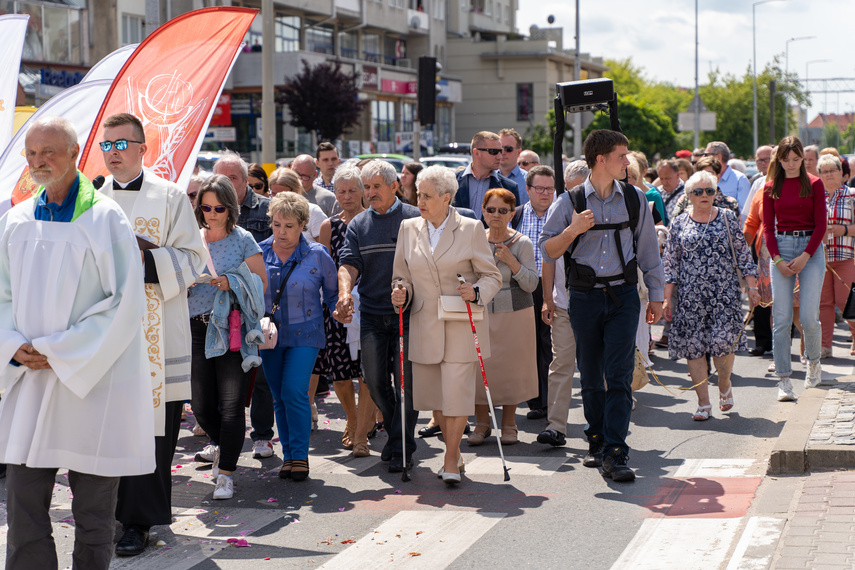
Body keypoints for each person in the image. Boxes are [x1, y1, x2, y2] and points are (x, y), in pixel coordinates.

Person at [0, 116, 154, 570]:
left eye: (49, 151)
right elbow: (0, 295)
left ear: (73, 153)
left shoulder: (105, 218)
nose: (39, 161)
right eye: (31, 153)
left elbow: (124, 303)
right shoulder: (16, 221)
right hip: (30, 380)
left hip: (93, 385)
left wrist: (60, 350)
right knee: (24, 509)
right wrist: (13, 345)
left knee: (92, 516)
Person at [97, 113, 208, 557]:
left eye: (122, 144)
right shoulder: (90, 199)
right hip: (102, 336)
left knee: (150, 433)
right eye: (107, 145)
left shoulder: (169, 197)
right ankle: (104, 514)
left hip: (154, 338)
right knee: (106, 431)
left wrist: (145, 258)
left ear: (144, 149)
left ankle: (137, 521)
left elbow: (194, 258)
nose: (113, 153)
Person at [540, 129, 664, 482]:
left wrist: (656, 296)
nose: (627, 162)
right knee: (592, 377)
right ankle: (596, 438)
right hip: (584, 298)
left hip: (623, 297)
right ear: (601, 160)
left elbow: (648, 251)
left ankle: (615, 449)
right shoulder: (571, 201)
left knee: (620, 374)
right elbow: (548, 250)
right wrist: (573, 230)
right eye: (621, 156)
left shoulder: (635, 198)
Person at [391, 165, 502, 484]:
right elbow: (402, 274)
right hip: (423, 321)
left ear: (446, 198)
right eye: (417, 194)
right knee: (434, 398)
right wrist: (401, 292)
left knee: (456, 394)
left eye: (426, 195)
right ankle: (454, 448)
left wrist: (477, 291)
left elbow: (491, 275)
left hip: (459, 321)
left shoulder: (470, 228)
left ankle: (451, 458)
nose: (418, 200)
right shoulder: (408, 228)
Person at [334, 160, 421, 473]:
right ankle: (399, 435)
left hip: (408, 315)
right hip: (371, 313)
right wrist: (345, 294)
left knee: (406, 384)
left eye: (375, 187)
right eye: (366, 187)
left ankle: (401, 448)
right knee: (373, 380)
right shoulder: (358, 224)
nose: (369, 193)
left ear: (394, 186)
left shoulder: (414, 218)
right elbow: (348, 264)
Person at [188, 175, 267, 500]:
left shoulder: (243, 238)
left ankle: (226, 475)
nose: (212, 213)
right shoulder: (190, 239)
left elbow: (260, 281)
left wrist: (230, 281)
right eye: (206, 207)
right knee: (201, 405)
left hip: (230, 327)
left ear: (229, 208)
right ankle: (223, 445)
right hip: (195, 327)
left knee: (233, 405)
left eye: (218, 207)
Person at [662, 171, 759, 420]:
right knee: (694, 349)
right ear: (689, 195)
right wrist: (665, 298)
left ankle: (724, 384)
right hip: (690, 298)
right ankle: (703, 403)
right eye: (698, 191)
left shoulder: (726, 217)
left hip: (724, 296)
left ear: (716, 193)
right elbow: (671, 264)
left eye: (709, 191)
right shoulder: (679, 223)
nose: (705, 195)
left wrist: (752, 286)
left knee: (722, 345)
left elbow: (744, 255)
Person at [260, 192, 338, 482]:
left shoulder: (317, 254)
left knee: (295, 391)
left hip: (306, 333)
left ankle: (300, 456)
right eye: (277, 224)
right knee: (279, 396)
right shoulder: (259, 251)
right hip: (270, 336)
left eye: (289, 226)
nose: (281, 232)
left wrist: (341, 307)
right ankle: (289, 455)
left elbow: (332, 294)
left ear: (303, 224)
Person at [213, 152, 277, 460]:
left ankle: (262, 434)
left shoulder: (266, 211)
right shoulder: (207, 213)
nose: (227, 184)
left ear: (244, 179)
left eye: (233, 178)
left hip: (256, 307)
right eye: (221, 179)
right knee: (221, 383)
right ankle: (221, 439)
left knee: (259, 375)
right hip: (216, 312)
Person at [465, 187, 538, 446]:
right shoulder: (474, 240)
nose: (496, 215)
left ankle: (509, 424)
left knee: (511, 369)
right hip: (481, 311)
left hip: (515, 314)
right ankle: (481, 423)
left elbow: (531, 284)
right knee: (479, 366)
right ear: (483, 212)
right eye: (491, 209)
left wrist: (512, 261)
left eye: (502, 211)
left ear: (511, 214)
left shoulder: (523, 243)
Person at [318, 166, 378, 457]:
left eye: (353, 190)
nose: (346, 196)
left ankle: (362, 432)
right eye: (340, 191)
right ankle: (353, 421)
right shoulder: (329, 226)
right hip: (337, 306)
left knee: (367, 373)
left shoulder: (373, 221)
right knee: (340, 374)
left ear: (363, 191)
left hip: (371, 305)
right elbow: (325, 268)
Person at [763, 136, 827, 400]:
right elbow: (768, 228)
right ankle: (784, 380)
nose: (791, 164)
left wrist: (805, 256)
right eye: (786, 159)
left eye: (796, 159)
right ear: (779, 159)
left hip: (810, 249)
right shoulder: (770, 187)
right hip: (781, 248)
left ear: (803, 159)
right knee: (781, 318)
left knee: (810, 317)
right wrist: (777, 260)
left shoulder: (814, 183)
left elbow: (822, 225)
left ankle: (813, 362)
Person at [537, 162, 586, 447]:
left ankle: (600, 426)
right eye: (569, 190)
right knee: (561, 364)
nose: (572, 197)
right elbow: (548, 257)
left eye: (578, 189)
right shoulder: (560, 208)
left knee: (597, 366)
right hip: (564, 304)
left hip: (596, 302)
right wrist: (547, 300)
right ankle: (556, 426)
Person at [511, 165, 556, 422]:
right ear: (527, 190)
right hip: (523, 287)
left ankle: (549, 401)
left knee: (549, 345)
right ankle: (535, 400)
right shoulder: (515, 216)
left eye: (549, 188)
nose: (545, 193)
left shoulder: (561, 216)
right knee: (527, 346)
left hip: (551, 287)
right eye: (539, 188)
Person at [818, 154, 855, 357]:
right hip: (820, 259)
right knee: (823, 304)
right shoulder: (815, 197)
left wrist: (844, 230)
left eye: (833, 170)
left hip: (845, 256)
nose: (829, 174)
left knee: (847, 301)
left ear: (842, 173)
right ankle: (825, 346)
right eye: (824, 171)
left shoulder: (852, 195)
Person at [453, 131, 520, 217]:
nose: (500, 156)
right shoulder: (452, 182)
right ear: (476, 153)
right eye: (493, 151)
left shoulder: (509, 187)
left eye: (500, 151)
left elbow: (513, 223)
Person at [269, 167, 327, 242]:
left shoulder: (313, 212)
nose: (277, 198)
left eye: (282, 194)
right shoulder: (269, 211)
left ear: (296, 191)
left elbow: (324, 248)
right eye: (273, 194)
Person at [705, 141, 750, 212]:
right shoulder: (704, 178)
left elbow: (744, 211)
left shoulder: (740, 179)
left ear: (718, 157)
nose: (703, 158)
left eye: (706, 155)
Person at [291, 153, 341, 217]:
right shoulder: (280, 191)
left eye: (304, 176)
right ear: (290, 168)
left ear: (314, 175)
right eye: (296, 173)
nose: (299, 179)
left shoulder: (328, 199)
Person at [499, 128, 529, 205]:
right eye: (499, 148)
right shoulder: (487, 176)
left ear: (518, 152)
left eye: (508, 149)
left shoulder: (528, 180)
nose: (503, 152)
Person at [657, 159, 685, 224]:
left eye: (667, 178)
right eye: (661, 179)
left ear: (678, 175)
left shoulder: (687, 193)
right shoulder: (657, 192)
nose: (664, 182)